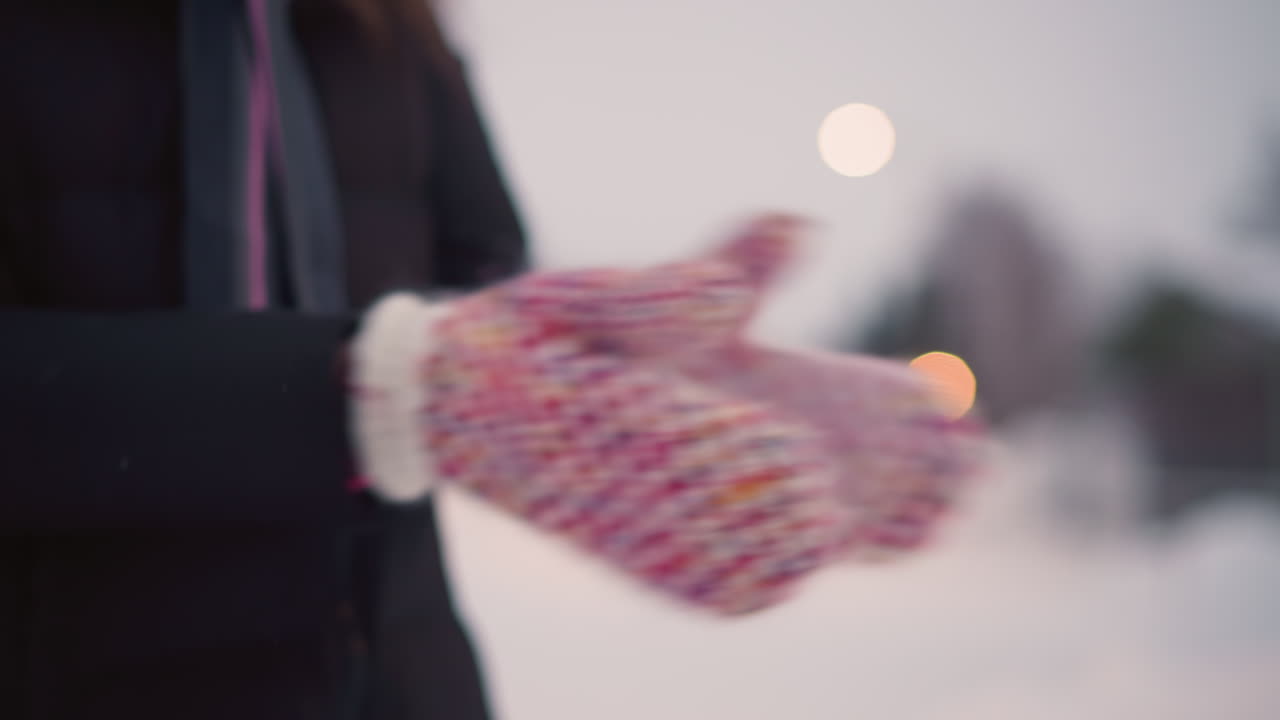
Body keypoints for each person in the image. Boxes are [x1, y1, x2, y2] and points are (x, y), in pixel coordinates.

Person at [1, 1, 523, 718]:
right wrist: (354, 391)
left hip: (399, 670)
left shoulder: (385, 22)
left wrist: (591, 355)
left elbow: (483, 259)